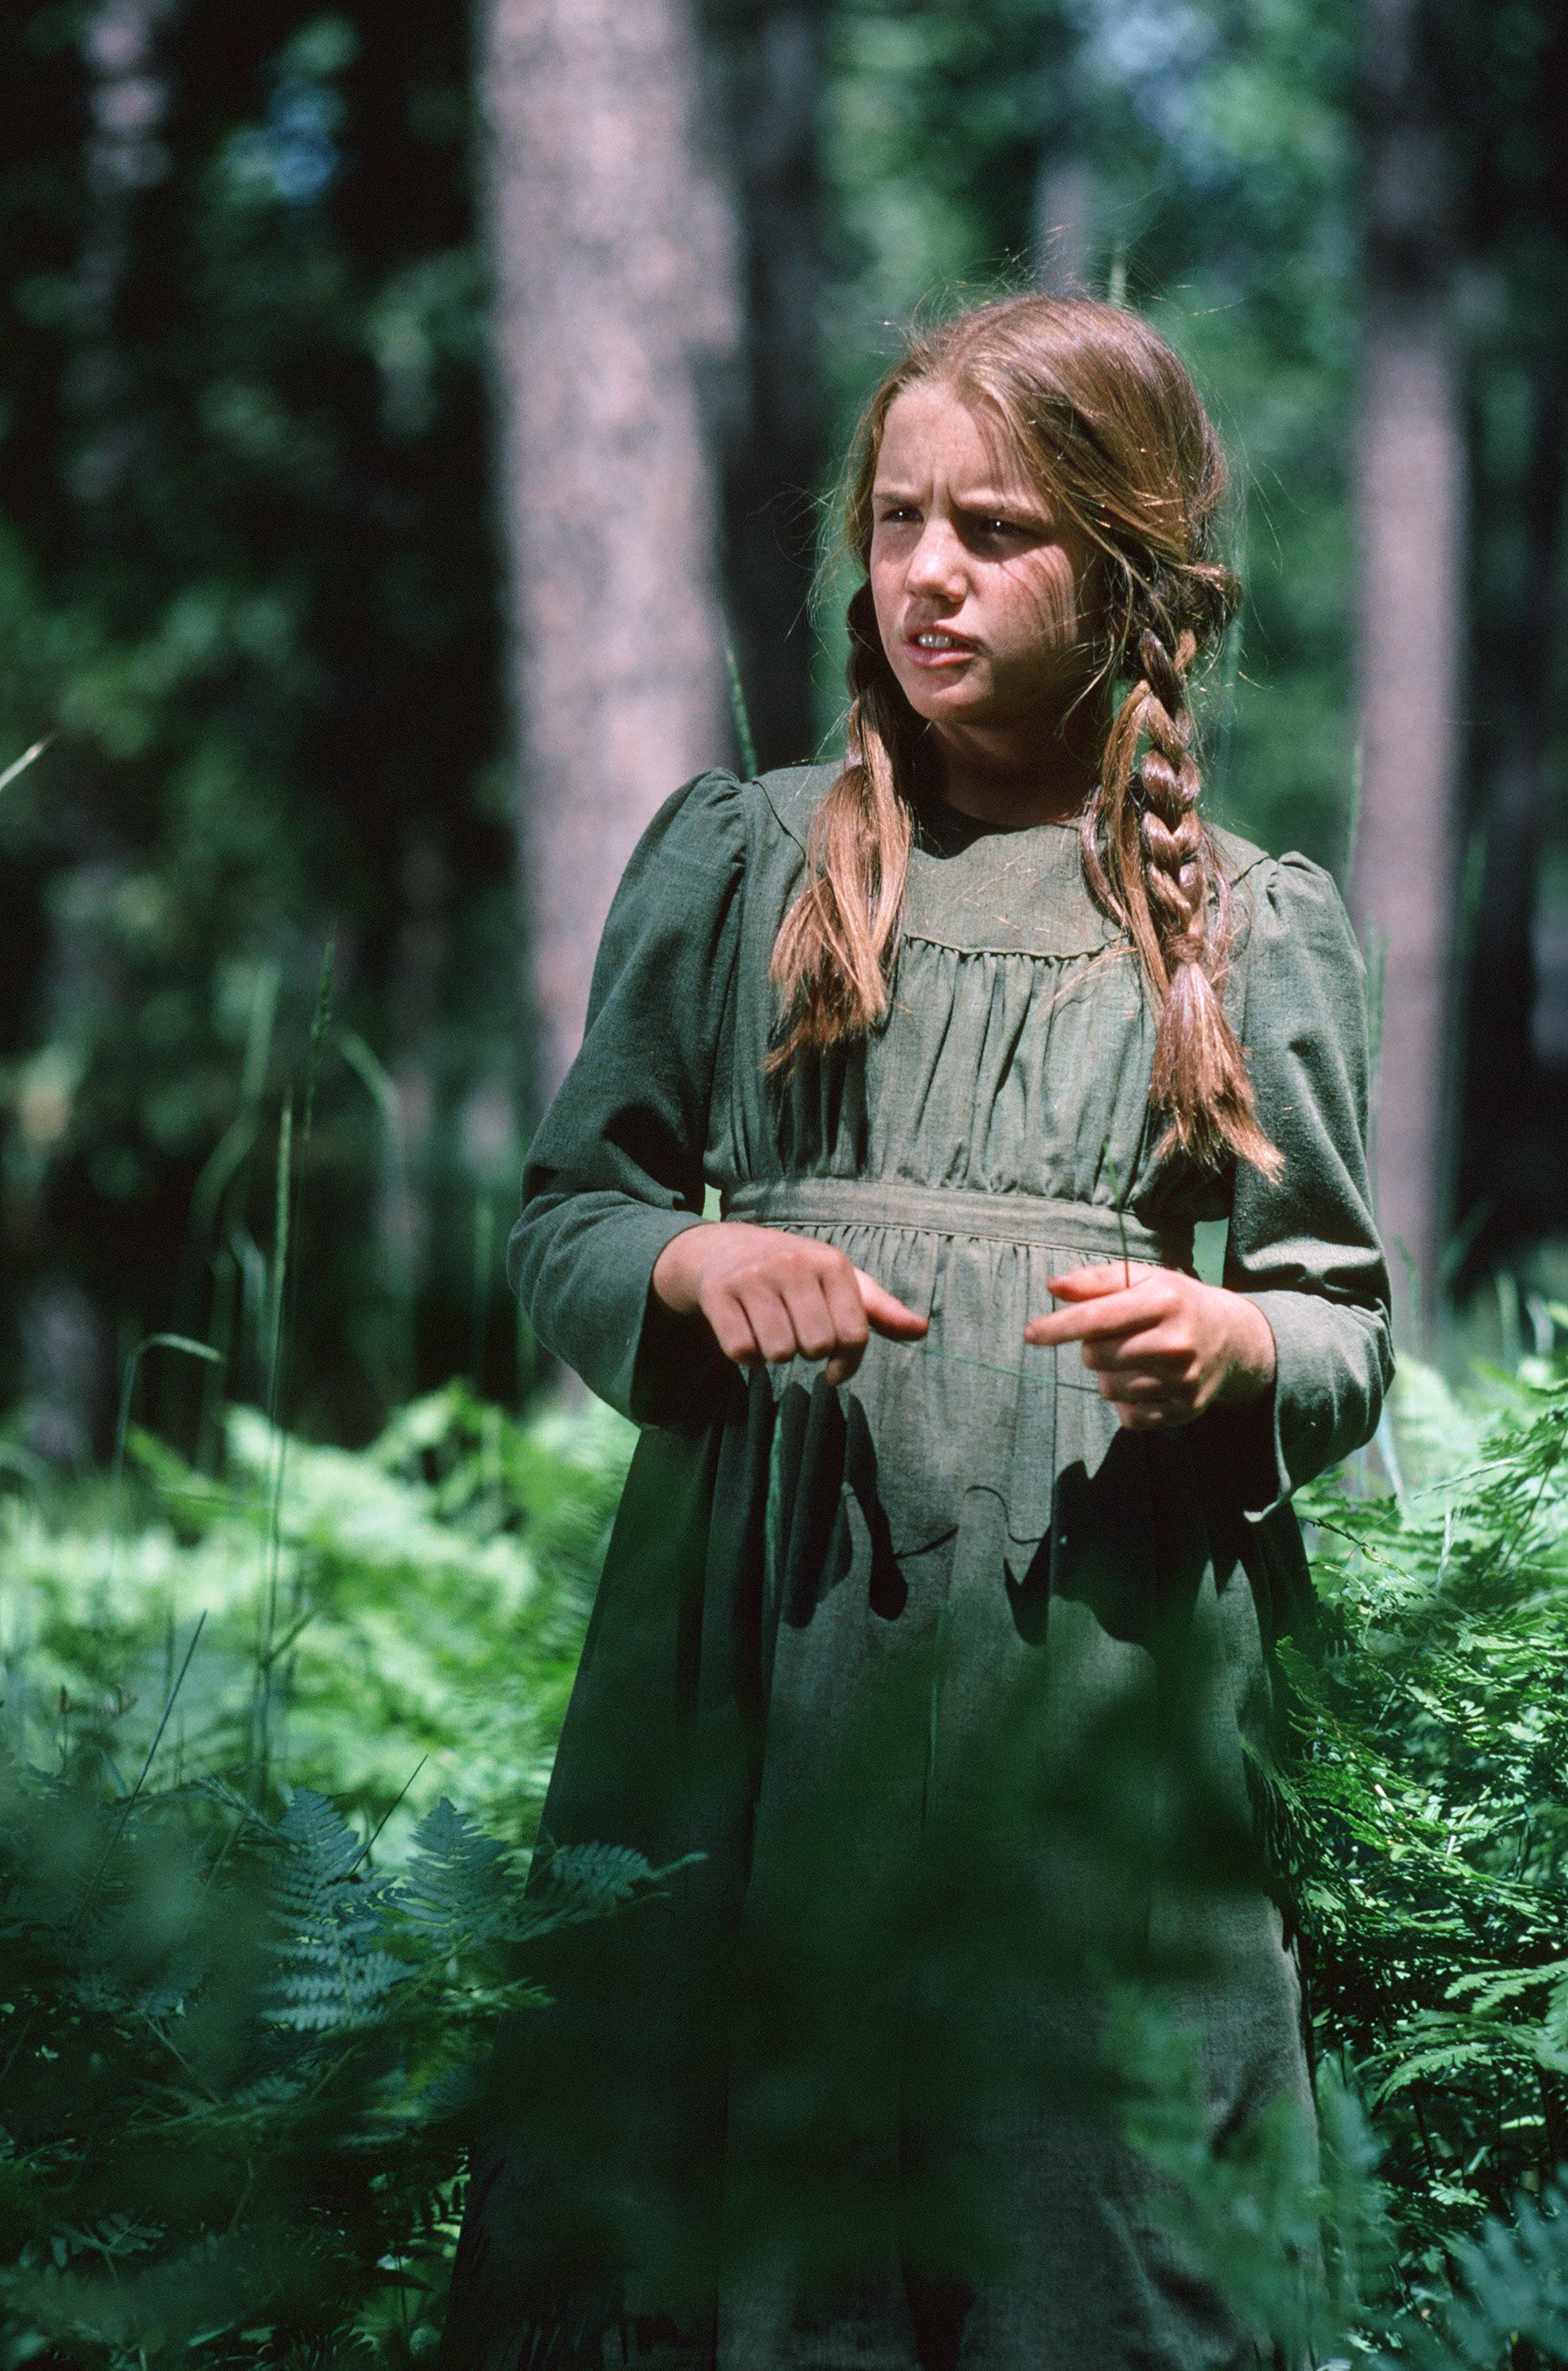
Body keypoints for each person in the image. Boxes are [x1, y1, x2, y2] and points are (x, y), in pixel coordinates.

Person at [440, 292, 1392, 2371]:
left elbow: (1343, 1324)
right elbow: (571, 1215)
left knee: (1094, 2222)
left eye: (998, 531)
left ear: (1130, 576)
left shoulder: (1239, 921)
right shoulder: (751, 859)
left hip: (1097, 1718)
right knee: (727, 2199)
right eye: (896, 522)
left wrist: (1231, 1349)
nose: (928, 576)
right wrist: (684, 1271)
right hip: (751, 1693)